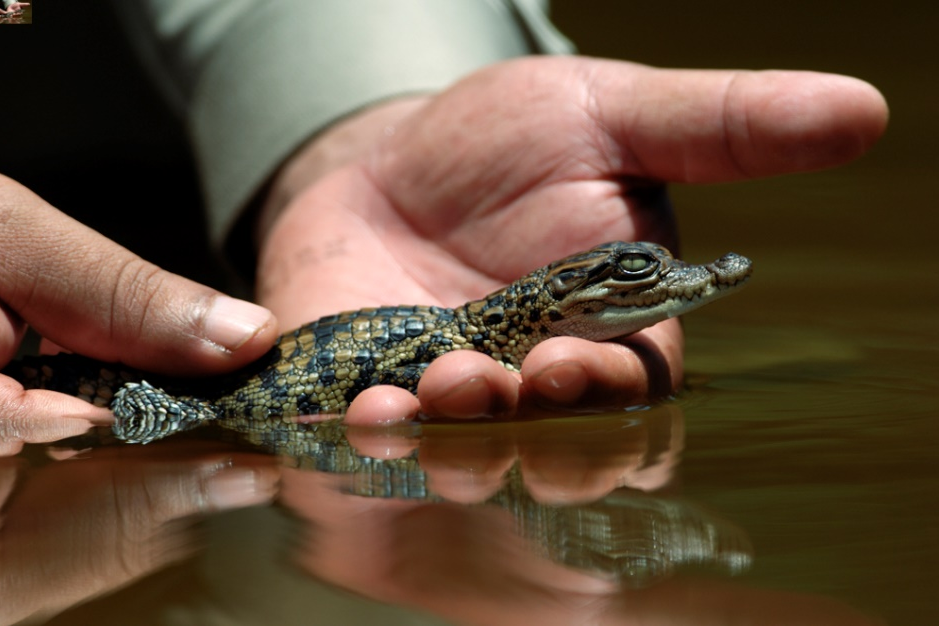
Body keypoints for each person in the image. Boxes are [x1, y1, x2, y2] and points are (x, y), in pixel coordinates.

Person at [0, 1, 888, 450]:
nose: (679, 281)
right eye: (632, 273)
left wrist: (356, 128)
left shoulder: (478, 341)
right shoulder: (458, 340)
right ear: (552, 305)